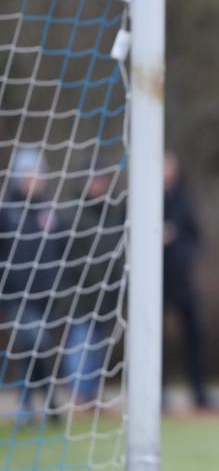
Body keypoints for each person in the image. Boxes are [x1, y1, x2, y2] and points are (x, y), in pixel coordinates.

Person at [0, 148, 63, 424]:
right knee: (36, 342)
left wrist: (58, 281)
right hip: (16, 295)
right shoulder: (6, 211)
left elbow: (63, 249)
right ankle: (49, 402)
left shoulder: (50, 212)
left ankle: (30, 405)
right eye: (29, 175)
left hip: (46, 296)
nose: (35, 180)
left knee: (33, 349)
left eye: (38, 174)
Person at [59, 161, 126, 404]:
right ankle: (78, 395)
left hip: (105, 295)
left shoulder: (112, 214)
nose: (99, 185)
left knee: (98, 345)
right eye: (94, 180)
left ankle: (91, 394)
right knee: (81, 341)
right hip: (79, 294)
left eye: (102, 180)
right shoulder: (71, 214)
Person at [162, 152, 217, 411]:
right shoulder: (141, 199)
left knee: (194, 336)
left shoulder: (183, 201)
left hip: (181, 281)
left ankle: (199, 393)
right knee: (154, 339)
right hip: (155, 284)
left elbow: (195, 237)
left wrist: (181, 251)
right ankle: (157, 394)